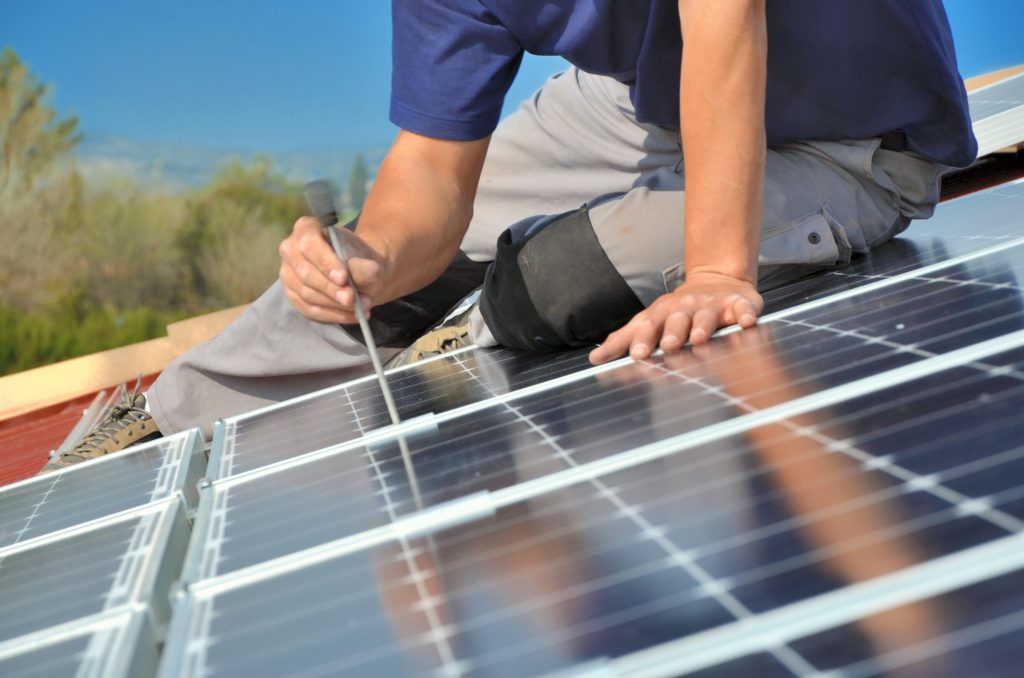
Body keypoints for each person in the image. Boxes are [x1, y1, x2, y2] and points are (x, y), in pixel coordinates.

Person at [41, 0, 976, 471]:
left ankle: (460, 357)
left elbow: (725, 22)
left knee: (558, 279)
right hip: (635, 107)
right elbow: (432, 177)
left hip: (852, 135)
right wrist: (365, 260)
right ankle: (159, 428)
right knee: (368, 276)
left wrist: (717, 271)